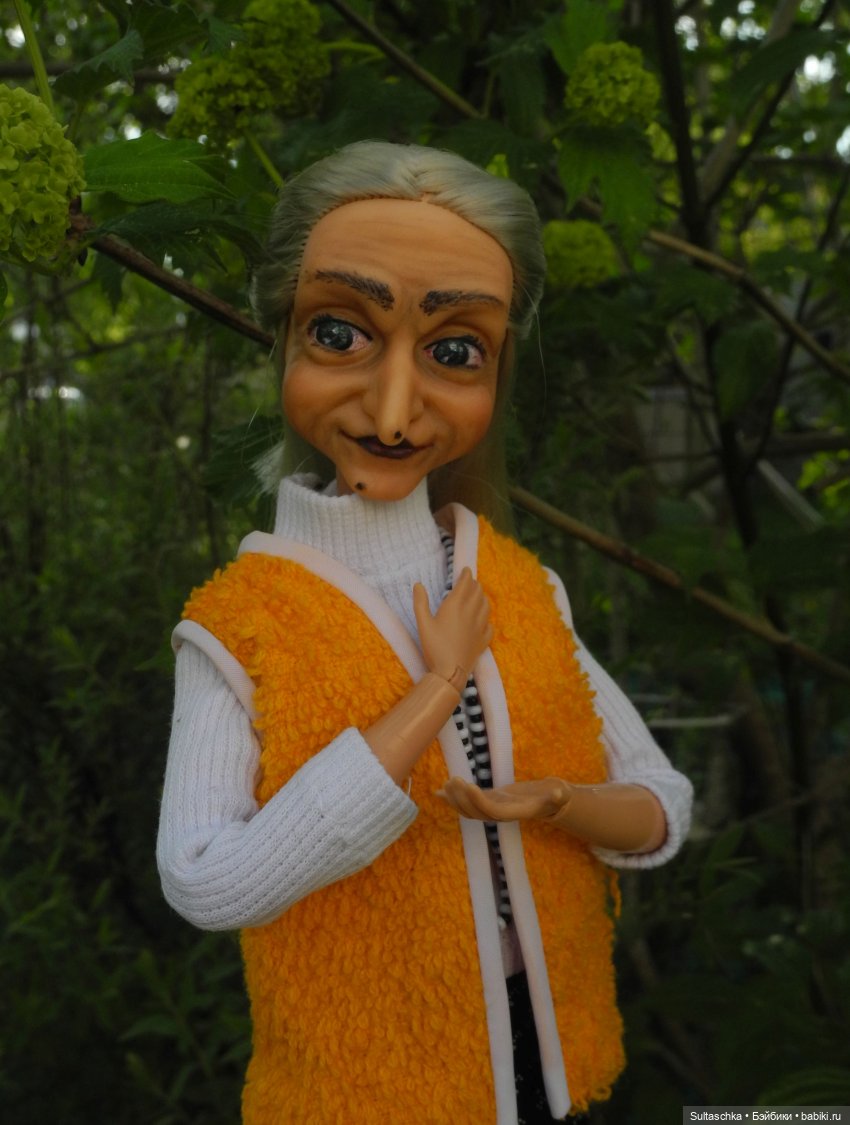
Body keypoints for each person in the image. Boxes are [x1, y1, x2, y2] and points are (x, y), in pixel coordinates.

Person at [156, 140, 692, 1125]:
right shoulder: (238, 627)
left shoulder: (520, 585)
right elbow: (204, 880)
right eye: (339, 333)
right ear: (281, 335)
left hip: (557, 1056)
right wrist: (433, 694)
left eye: (454, 352)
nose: (395, 408)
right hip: (371, 1091)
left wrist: (560, 802)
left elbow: (662, 803)